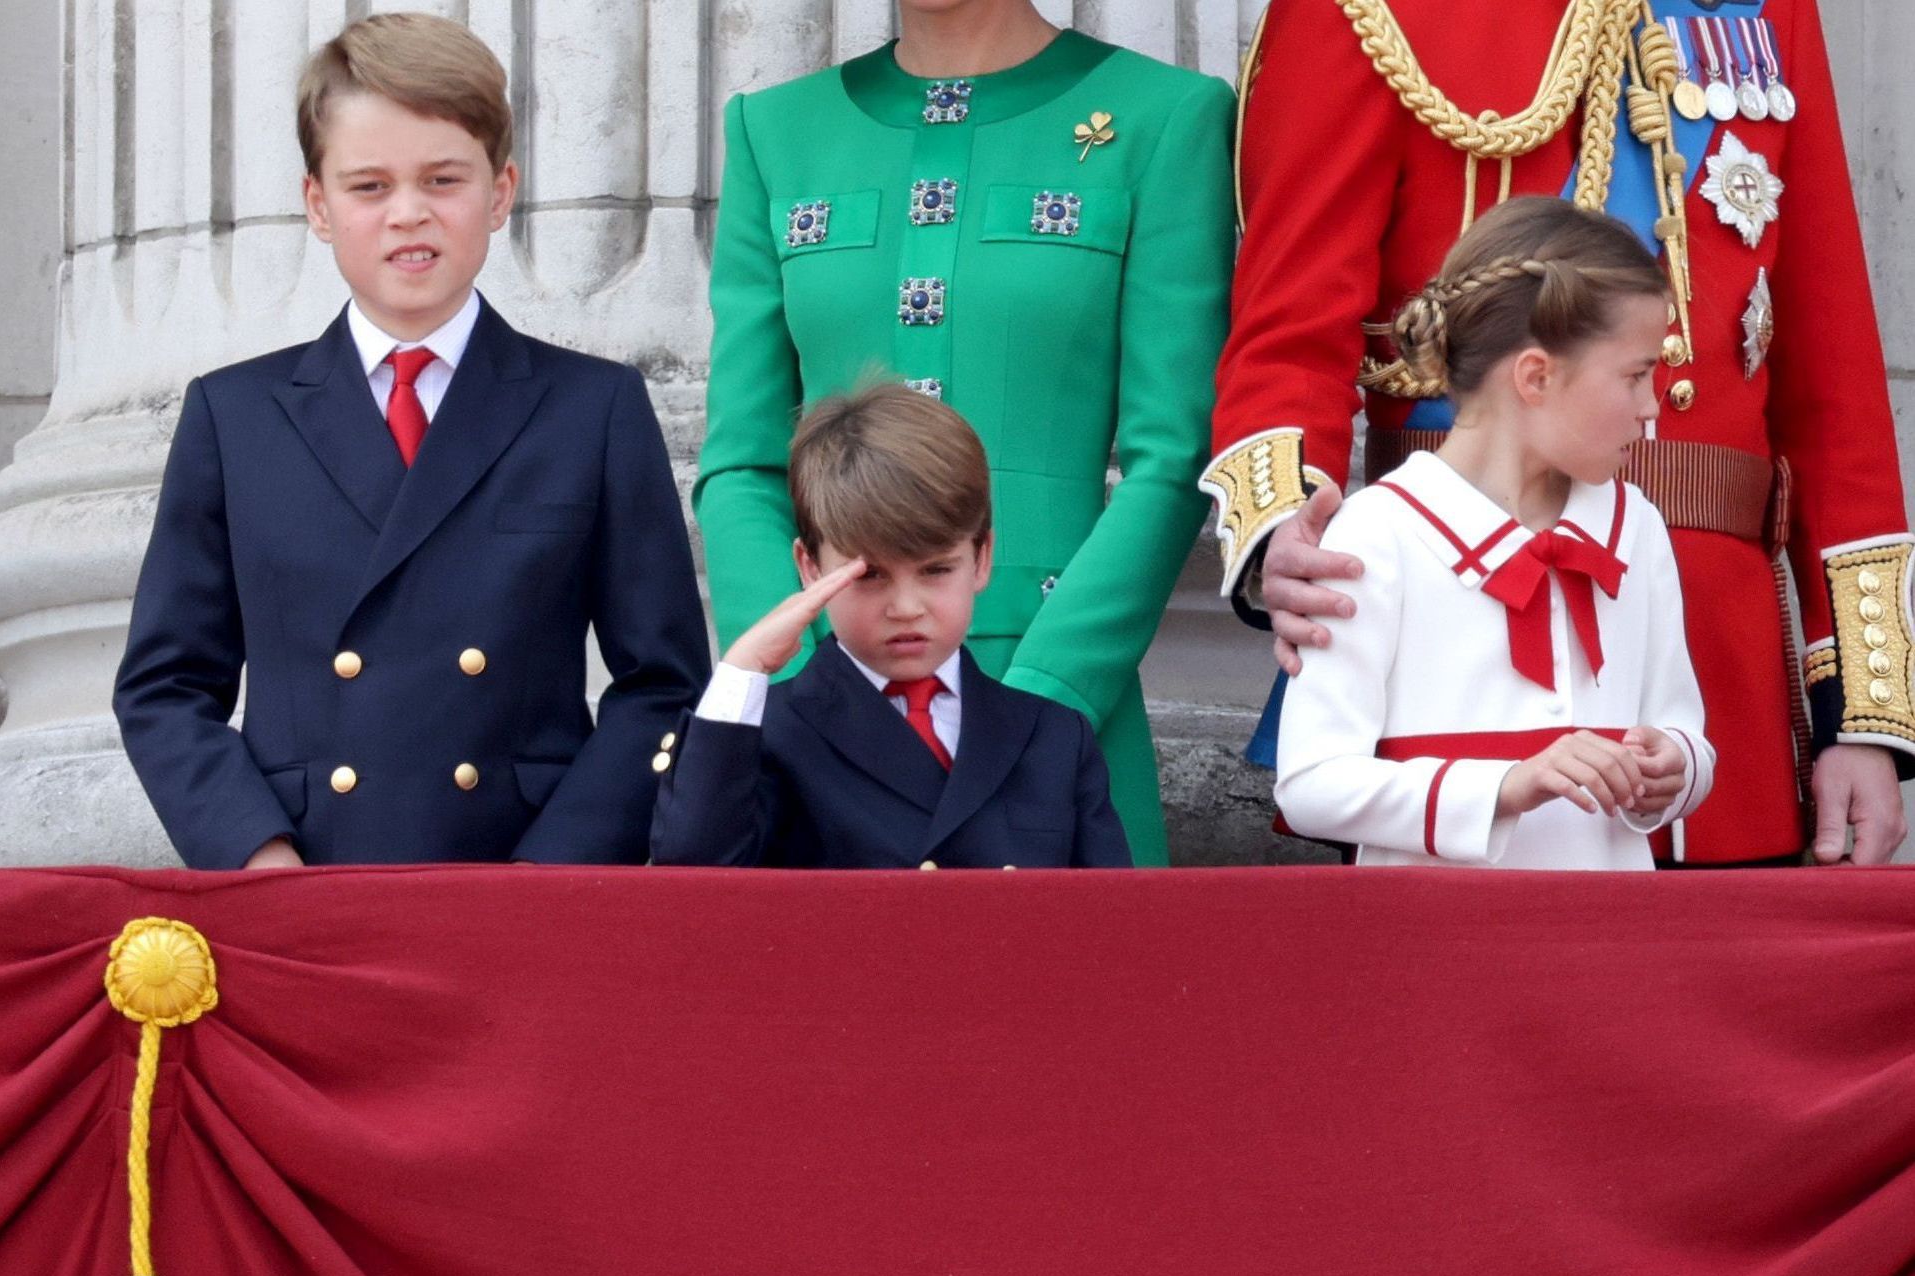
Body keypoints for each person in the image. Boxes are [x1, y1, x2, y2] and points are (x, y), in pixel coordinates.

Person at [1202, 0, 1911, 865]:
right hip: (1449, 636)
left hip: (1720, 671)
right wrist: (1287, 534)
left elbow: (1831, 376)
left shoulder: (1770, 11)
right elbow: (1289, 332)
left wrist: (1864, 711)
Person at [113, 13, 710, 869]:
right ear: (318, 205)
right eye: (368, 186)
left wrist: (557, 869)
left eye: (442, 179)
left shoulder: (594, 409)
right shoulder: (234, 416)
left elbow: (663, 684)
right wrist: (255, 852)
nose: (408, 214)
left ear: (500, 192)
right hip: (309, 882)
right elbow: (165, 686)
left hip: (522, 883)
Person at [696, 0, 1234, 865]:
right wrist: (806, 688)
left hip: (1062, 715)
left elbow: (1171, 457)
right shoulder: (774, 129)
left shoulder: (1164, 116)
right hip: (823, 747)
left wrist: (1038, 707)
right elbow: (743, 462)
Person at [1274, 198, 1713, 867]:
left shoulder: (1638, 528)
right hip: (1436, 953)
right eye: (1636, 375)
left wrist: (1677, 765)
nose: (1653, 409)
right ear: (1536, 375)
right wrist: (1504, 787)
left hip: (1610, 948)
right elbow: (1311, 784)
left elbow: (1683, 726)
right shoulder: (1379, 532)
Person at [650, 385, 1131, 869]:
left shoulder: (1052, 737)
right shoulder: (769, 733)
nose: (905, 607)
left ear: (982, 558)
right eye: (871, 574)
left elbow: (1109, 922)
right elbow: (693, 872)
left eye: (936, 570)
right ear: (811, 567)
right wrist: (742, 670)